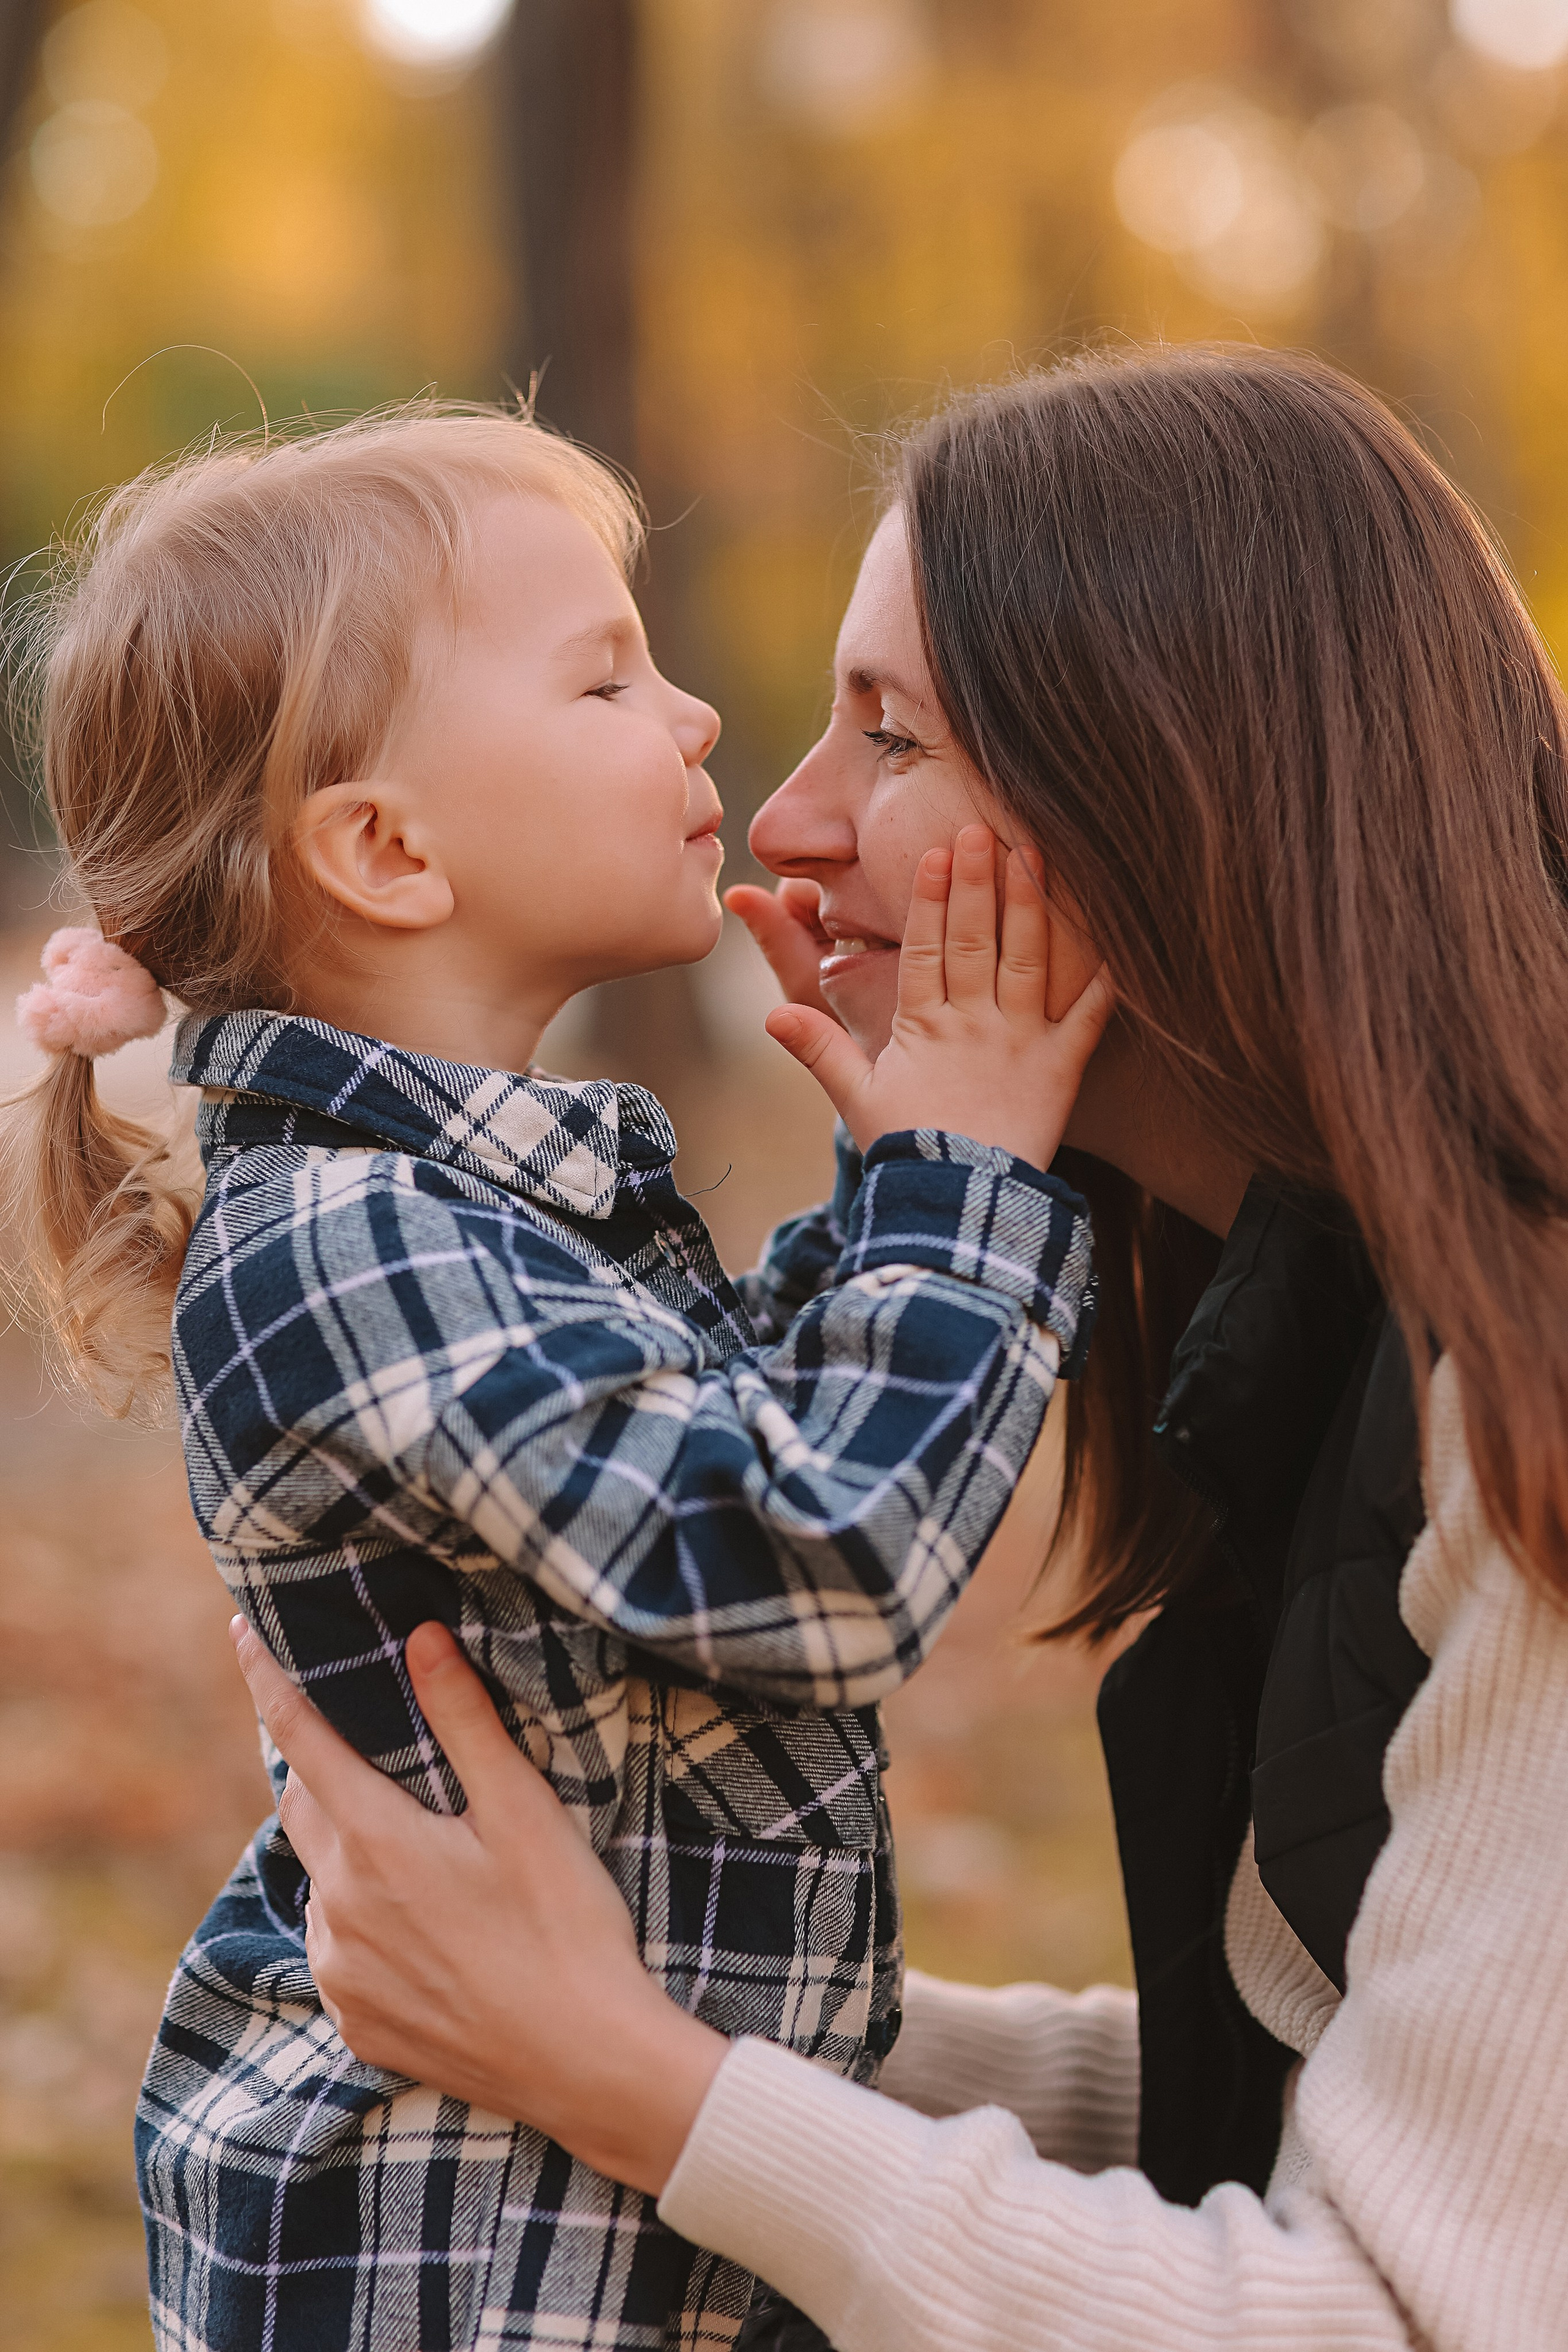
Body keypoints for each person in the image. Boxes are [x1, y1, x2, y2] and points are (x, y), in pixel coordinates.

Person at [236, 343, 1568, 2352]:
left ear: (1175, 784)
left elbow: (1399, 2313)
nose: (786, 814)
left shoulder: (1523, 1395)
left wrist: (636, 2070)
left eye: (897, 735)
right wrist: (608, 1990)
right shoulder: (1321, 1314)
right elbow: (1355, 2097)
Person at [2, 404, 1114, 2352]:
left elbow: (722, 1439)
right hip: (462, 2276)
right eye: (606, 677)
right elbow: (813, 1556)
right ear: (385, 849)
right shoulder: (342, 1250)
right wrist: (967, 1188)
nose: (695, 724)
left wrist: (887, 1189)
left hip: (601, 2238)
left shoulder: (474, 1217)